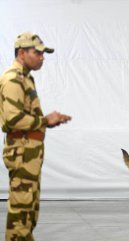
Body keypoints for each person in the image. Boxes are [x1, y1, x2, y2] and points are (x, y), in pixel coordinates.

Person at [0, 32, 72, 241]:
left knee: (29, 209)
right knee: (21, 210)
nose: (42, 57)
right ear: (21, 52)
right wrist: (45, 120)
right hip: (22, 152)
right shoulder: (13, 79)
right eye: (37, 53)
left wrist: (49, 121)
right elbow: (12, 119)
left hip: (29, 151)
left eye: (43, 54)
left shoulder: (25, 78)